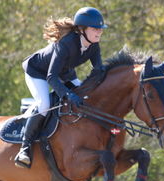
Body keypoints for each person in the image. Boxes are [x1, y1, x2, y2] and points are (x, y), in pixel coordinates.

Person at [15, 7, 107, 168]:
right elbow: (51, 77)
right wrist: (68, 95)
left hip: (64, 73)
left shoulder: (93, 45)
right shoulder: (66, 44)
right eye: (95, 28)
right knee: (45, 104)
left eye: (100, 29)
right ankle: (25, 148)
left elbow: (99, 70)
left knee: (86, 99)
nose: (99, 32)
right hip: (38, 72)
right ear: (82, 29)